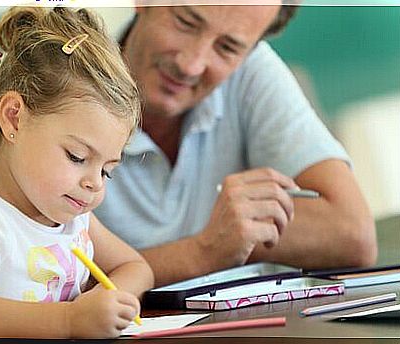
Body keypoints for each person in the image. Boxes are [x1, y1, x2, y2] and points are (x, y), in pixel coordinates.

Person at [93, 3, 377, 287]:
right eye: (185, 23)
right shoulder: (67, 83)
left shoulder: (251, 70)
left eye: (227, 48)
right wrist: (206, 251)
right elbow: (56, 288)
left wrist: (234, 237)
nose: (190, 64)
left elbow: (353, 233)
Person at [0, 7, 153, 339]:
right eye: (77, 157)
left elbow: (137, 269)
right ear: (14, 118)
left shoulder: (72, 214)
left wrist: (105, 302)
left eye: (107, 171)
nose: (93, 183)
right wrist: (69, 319)